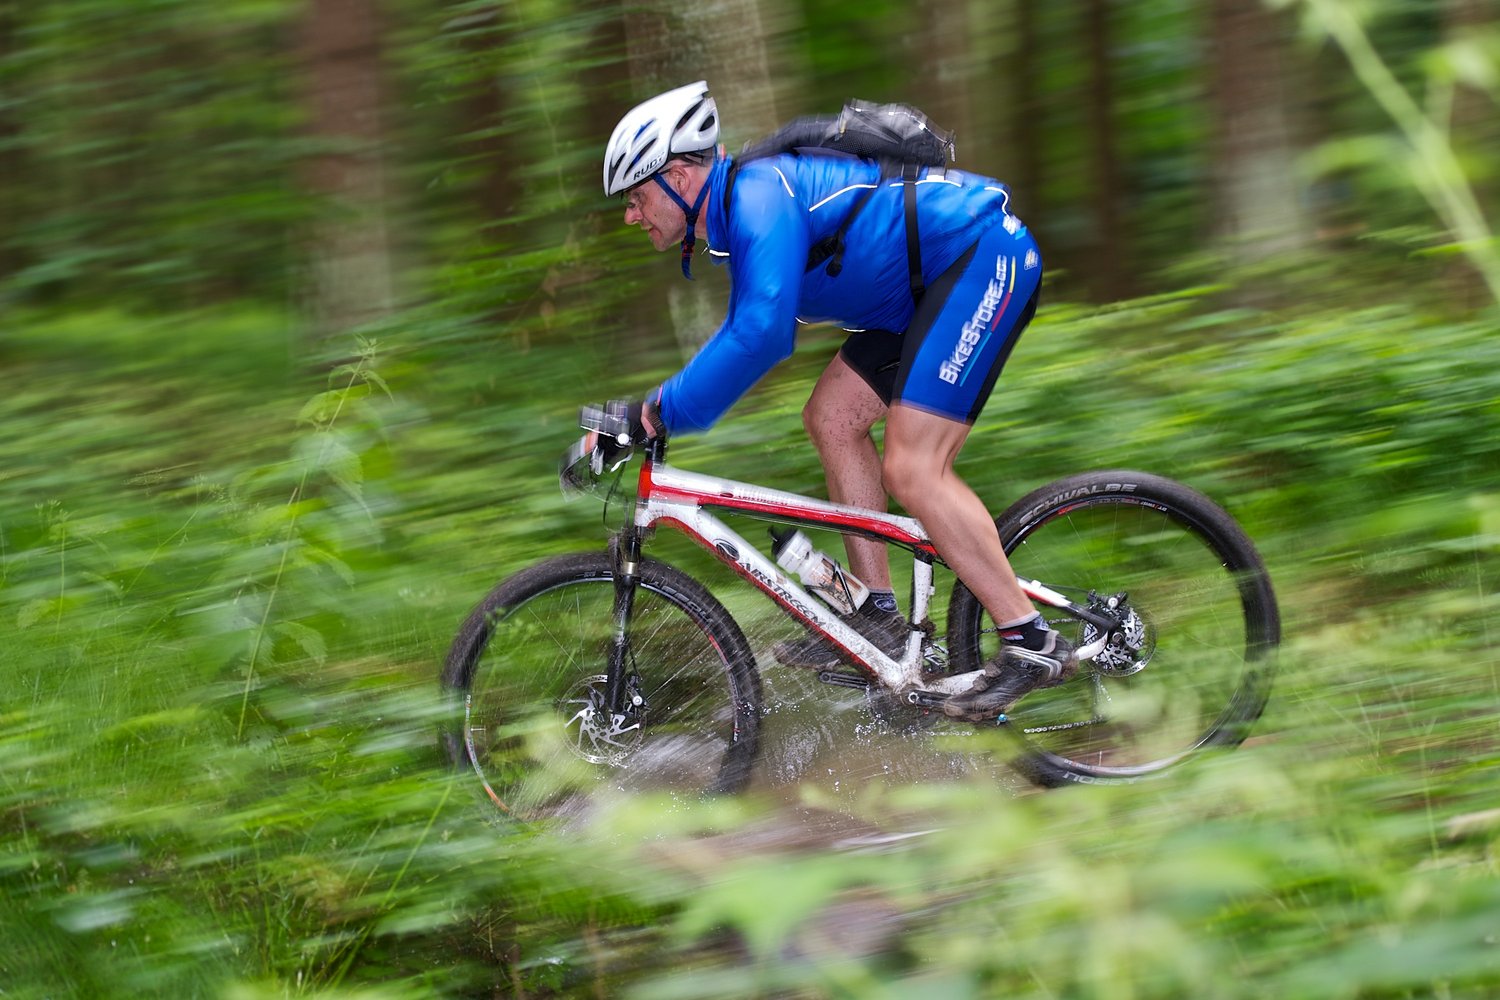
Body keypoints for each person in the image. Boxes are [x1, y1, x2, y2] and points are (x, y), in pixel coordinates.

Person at [601, 81, 1076, 722]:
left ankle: (1030, 641)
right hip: (916, 299)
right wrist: (658, 410)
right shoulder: (739, 218)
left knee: (913, 468)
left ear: (680, 178)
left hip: (981, 256)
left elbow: (761, 333)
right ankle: (879, 617)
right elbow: (748, 329)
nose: (631, 217)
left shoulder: (759, 196)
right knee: (831, 418)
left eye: (636, 198)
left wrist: (655, 412)